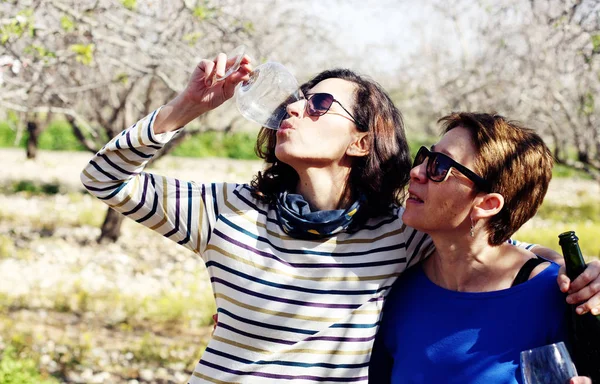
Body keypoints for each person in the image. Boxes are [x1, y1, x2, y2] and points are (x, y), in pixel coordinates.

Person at [81, 53, 599, 383]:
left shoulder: (399, 230)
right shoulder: (226, 210)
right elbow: (101, 180)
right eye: (296, 99)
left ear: (361, 141)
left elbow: (482, 250)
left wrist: (574, 271)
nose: (293, 109)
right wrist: (186, 107)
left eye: (320, 103)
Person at [368, 112, 592, 383]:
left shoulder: (558, 295)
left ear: (487, 205)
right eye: (426, 157)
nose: (416, 172)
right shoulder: (399, 286)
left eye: (439, 167)